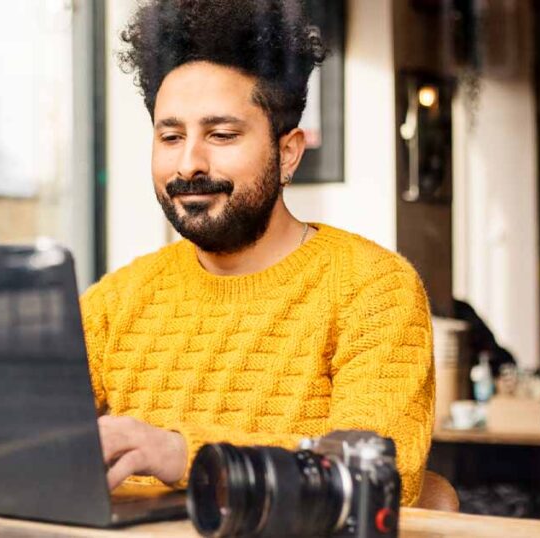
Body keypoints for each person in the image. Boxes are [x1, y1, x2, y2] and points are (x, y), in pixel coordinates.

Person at [81, 0, 435, 507]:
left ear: (288, 151)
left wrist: (186, 454)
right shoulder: (113, 303)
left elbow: (378, 476)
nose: (189, 164)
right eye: (171, 136)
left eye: (221, 135)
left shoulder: (374, 289)